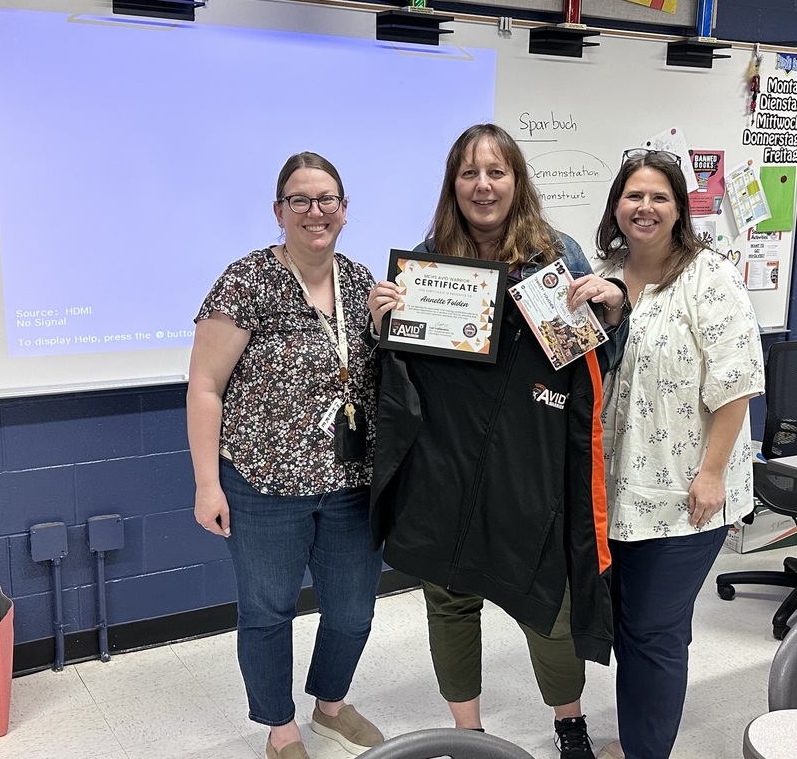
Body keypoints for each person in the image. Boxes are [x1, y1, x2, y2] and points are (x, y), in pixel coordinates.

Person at [367, 124, 629, 759]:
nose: (482, 186)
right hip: (447, 467)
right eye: (468, 173)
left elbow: (602, 357)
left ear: (517, 181)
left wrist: (612, 305)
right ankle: (469, 737)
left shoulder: (555, 255)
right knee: (449, 600)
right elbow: (401, 379)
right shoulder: (430, 263)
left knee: (550, 607)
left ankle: (570, 725)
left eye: (496, 172)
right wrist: (384, 326)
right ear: (453, 185)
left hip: (528, 465)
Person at [186, 152, 385, 759]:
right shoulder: (246, 281)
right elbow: (204, 386)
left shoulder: (359, 280)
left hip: (352, 481)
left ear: (345, 211)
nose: (315, 211)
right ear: (279, 211)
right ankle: (280, 728)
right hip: (263, 484)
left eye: (327, 199)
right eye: (300, 200)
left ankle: (329, 704)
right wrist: (206, 484)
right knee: (269, 611)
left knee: (352, 611)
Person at [589, 150, 765, 759]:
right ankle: (637, 739)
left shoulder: (708, 277)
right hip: (616, 492)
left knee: (656, 630)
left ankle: (645, 752)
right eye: (634, 196)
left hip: (687, 492)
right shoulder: (602, 274)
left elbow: (737, 380)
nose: (645, 208)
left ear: (679, 208)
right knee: (631, 625)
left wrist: (712, 472)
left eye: (659, 197)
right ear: (617, 204)